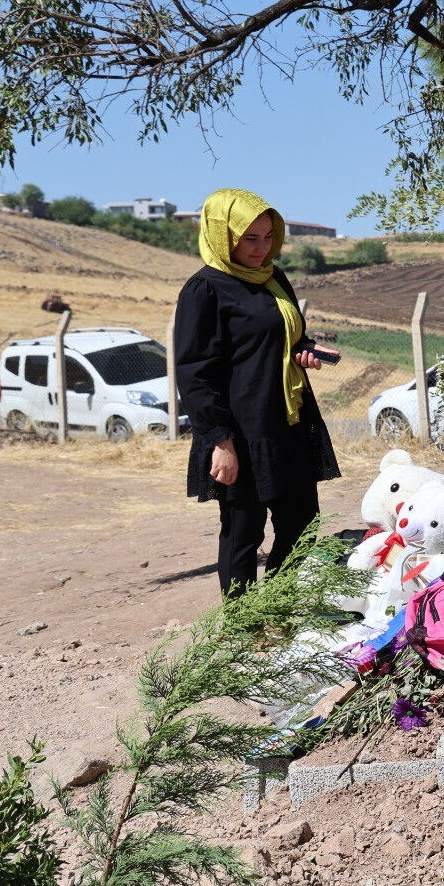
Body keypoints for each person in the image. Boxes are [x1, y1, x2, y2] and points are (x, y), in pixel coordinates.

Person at [175, 188, 340, 597]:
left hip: (288, 422)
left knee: (303, 524)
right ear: (223, 234)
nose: (261, 248)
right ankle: (242, 625)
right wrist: (220, 442)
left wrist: (304, 350)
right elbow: (194, 373)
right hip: (240, 433)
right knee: (243, 533)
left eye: (268, 237)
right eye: (250, 238)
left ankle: (277, 611)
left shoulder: (272, 278)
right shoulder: (204, 289)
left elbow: (280, 338)